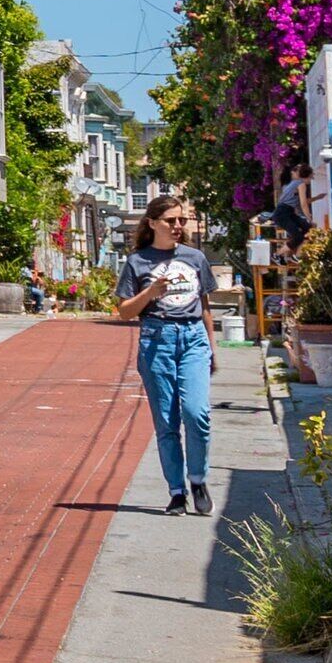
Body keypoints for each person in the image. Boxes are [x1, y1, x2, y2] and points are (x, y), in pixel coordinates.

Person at [114, 194, 220, 515]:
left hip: (192, 338)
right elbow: (124, 312)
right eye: (170, 220)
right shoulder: (137, 261)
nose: (177, 226)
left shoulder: (195, 258)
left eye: (181, 220)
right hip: (156, 340)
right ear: (152, 223)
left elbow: (204, 307)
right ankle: (177, 491)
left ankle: (198, 479)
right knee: (167, 421)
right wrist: (150, 292)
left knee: (197, 413)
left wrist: (212, 348)